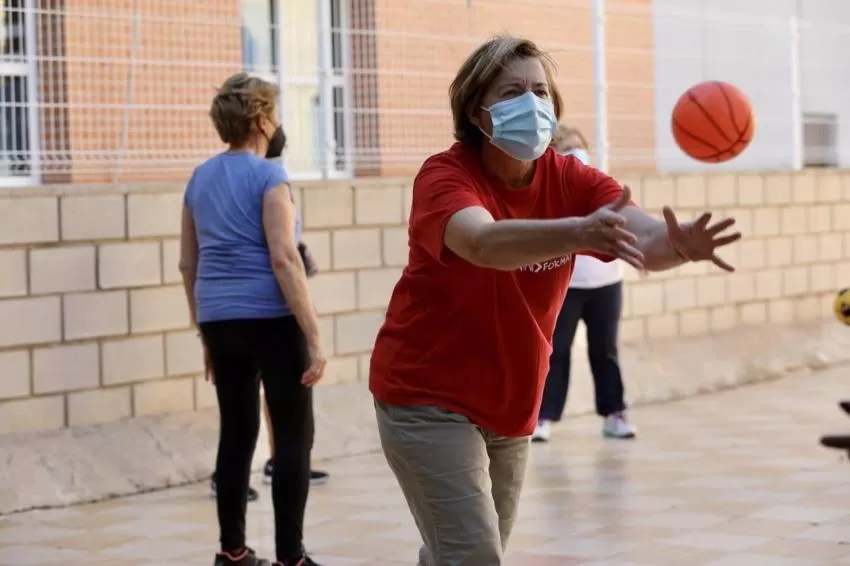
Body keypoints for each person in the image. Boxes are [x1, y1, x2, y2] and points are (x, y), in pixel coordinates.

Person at [369, 35, 741, 566]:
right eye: (514, 91)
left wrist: (678, 246)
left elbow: (644, 239)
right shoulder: (445, 176)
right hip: (426, 395)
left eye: (541, 91)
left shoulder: (572, 178)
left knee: (464, 550)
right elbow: (482, 242)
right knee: (474, 555)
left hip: (511, 399)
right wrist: (578, 232)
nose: (533, 103)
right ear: (479, 112)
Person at [179, 72, 326, 566]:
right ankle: (291, 558)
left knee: (236, 433)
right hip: (271, 318)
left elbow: (188, 263)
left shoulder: (199, 178)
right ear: (262, 120)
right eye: (277, 113)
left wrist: (204, 331)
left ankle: (233, 552)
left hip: (220, 321)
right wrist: (313, 333)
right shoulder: (270, 178)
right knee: (292, 438)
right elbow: (284, 258)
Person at [533, 124, 635, 443]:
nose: (576, 154)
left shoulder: (599, 186)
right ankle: (543, 417)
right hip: (568, 286)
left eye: (579, 146)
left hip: (606, 284)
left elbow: (632, 225)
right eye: (566, 148)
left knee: (605, 349)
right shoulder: (547, 195)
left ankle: (614, 413)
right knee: (557, 351)